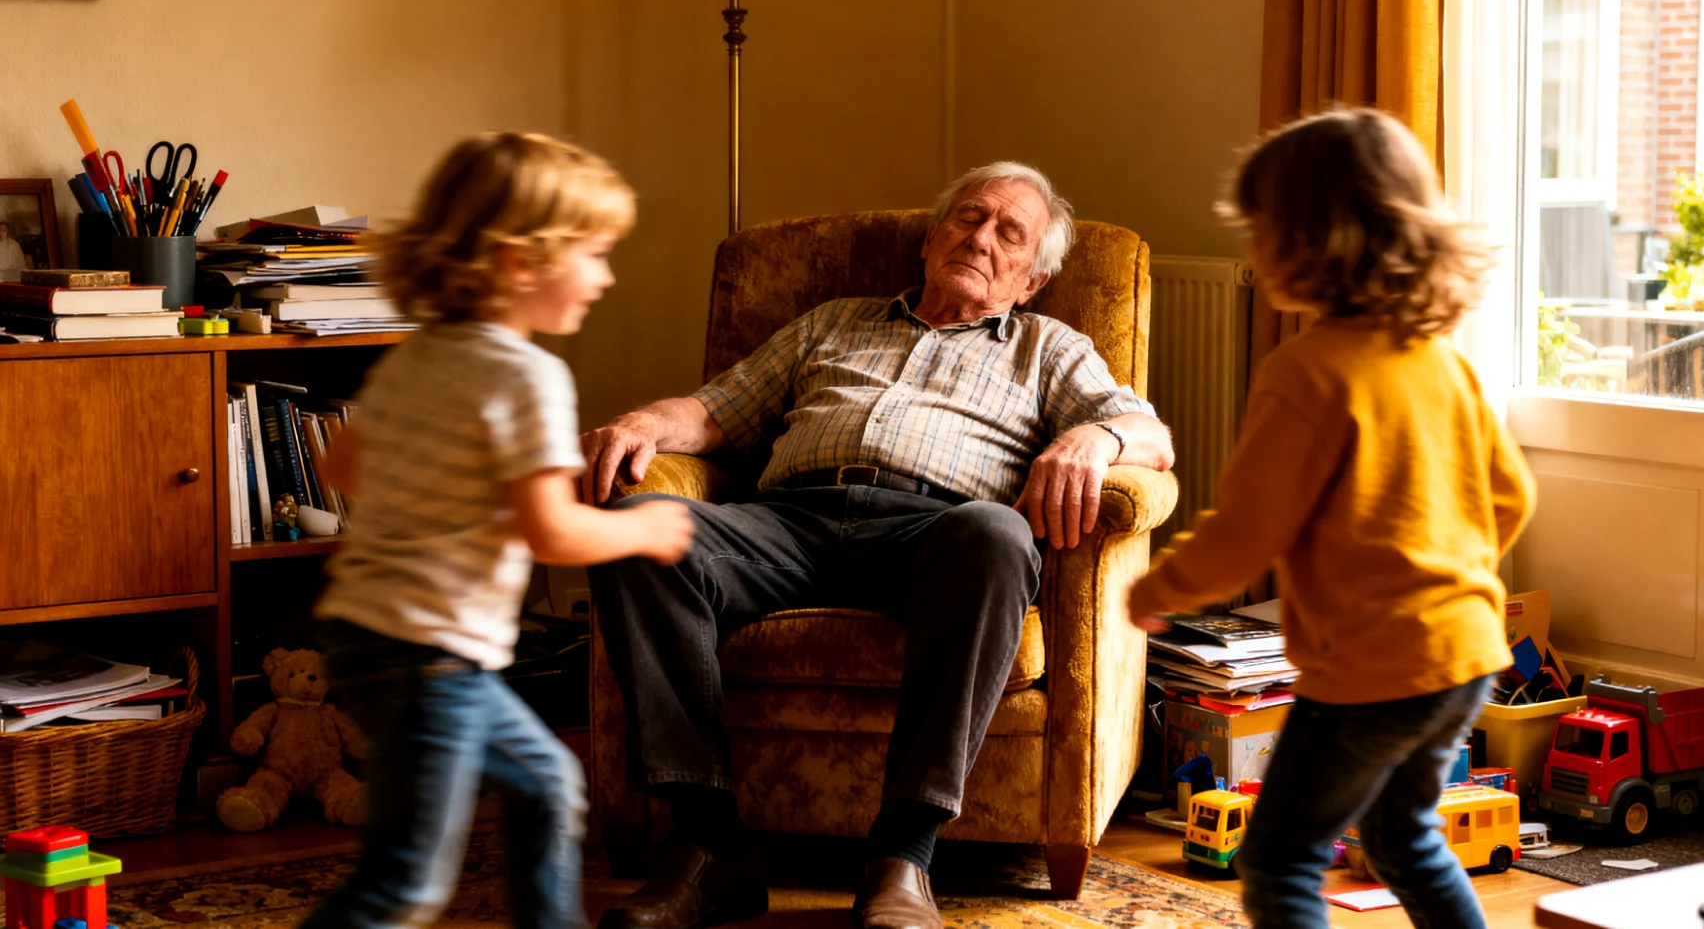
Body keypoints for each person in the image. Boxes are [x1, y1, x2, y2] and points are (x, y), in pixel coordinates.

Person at [583, 162, 1174, 929]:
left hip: (935, 535)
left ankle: (903, 853)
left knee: (998, 533)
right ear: (930, 239)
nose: (981, 238)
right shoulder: (831, 322)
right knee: (636, 532)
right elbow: (714, 411)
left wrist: (1096, 438)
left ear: (1031, 280)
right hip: (789, 521)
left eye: (1009, 232)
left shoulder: (1048, 348)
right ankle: (709, 845)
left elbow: (1151, 436)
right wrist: (641, 424)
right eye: (969, 217)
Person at [1128, 108, 1536, 929]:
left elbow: (1249, 529)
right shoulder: (1442, 361)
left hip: (1371, 670)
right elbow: (1510, 496)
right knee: (1402, 834)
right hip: (1464, 655)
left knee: (1280, 857)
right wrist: (1443, 579)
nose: (1252, 247)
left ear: (1314, 236)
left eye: (1261, 227)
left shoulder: (1306, 371)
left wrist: (1160, 587)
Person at [300, 132, 694, 929]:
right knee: (404, 885)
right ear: (520, 261)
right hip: (430, 657)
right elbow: (553, 535)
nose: (607, 276)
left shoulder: (417, 356)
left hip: (367, 638)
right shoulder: (528, 375)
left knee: (546, 784)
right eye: (595, 253)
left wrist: (450, 493)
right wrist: (646, 531)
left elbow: (343, 464)